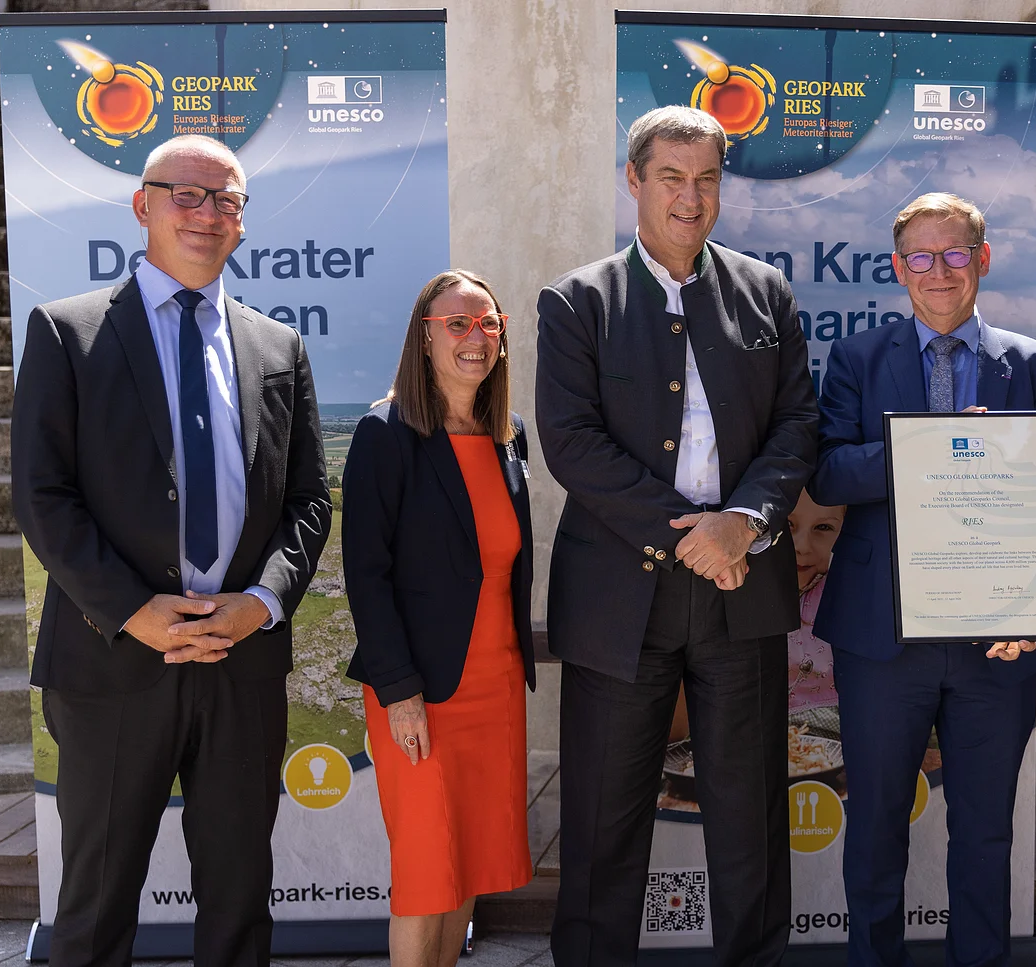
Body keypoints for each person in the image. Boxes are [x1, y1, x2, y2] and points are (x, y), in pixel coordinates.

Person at [10, 134, 331, 967]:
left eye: (227, 200)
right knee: (95, 905)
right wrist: (132, 611)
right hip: (111, 666)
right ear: (141, 205)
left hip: (240, 664)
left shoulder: (277, 346)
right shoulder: (66, 332)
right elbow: (43, 496)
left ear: (242, 224)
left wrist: (260, 603)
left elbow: (307, 502)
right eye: (185, 194)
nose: (207, 213)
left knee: (238, 903)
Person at [536, 105, 819, 967]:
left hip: (744, 590)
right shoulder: (577, 300)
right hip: (622, 600)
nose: (689, 197)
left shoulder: (765, 292)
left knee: (749, 813)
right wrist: (686, 533)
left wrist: (743, 523)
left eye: (705, 179)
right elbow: (570, 441)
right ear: (634, 181)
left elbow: (798, 425)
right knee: (603, 815)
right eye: (671, 177)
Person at [808, 192, 1036, 967]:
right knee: (877, 822)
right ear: (898, 269)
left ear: (983, 259)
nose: (939, 272)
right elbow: (827, 470)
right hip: (881, 639)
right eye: (920, 257)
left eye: (955, 253)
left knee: (987, 830)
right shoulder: (857, 358)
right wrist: (932, 449)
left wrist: (1026, 602)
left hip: (998, 638)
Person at [342, 270, 536, 967]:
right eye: (456, 324)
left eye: (488, 323)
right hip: (420, 694)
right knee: (426, 875)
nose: (475, 337)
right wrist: (399, 693)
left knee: (469, 870)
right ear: (424, 340)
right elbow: (366, 574)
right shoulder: (385, 434)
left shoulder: (507, 434)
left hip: (495, 686)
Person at [787, 489, 845, 715]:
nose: (802, 546)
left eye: (823, 528)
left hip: (831, 730)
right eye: (788, 524)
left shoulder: (847, 596)